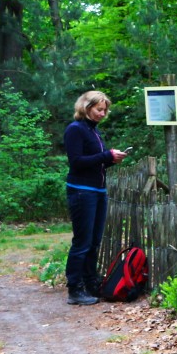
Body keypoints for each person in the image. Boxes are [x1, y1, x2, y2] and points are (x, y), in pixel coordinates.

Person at [64, 91, 128, 305]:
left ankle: (91, 283)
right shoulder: (75, 129)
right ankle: (75, 289)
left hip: (98, 190)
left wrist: (111, 160)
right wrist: (106, 155)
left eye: (105, 110)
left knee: (94, 242)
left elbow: (95, 162)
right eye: (99, 109)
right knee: (82, 242)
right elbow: (76, 162)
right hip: (81, 190)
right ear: (86, 107)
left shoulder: (94, 131)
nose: (102, 113)